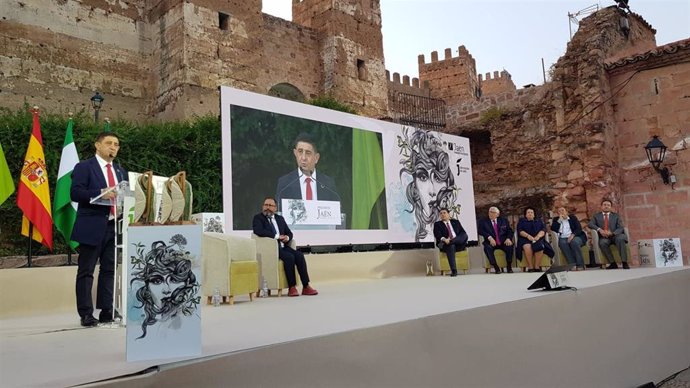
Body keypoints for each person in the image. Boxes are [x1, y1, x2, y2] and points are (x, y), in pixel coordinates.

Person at [71, 132, 128, 327]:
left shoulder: (121, 171)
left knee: (109, 270)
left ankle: (107, 310)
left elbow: (124, 196)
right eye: (109, 143)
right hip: (91, 225)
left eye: (117, 144)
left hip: (113, 225)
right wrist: (100, 193)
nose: (113, 147)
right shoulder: (84, 167)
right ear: (97, 145)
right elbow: (76, 193)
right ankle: (86, 313)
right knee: (86, 271)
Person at [130, 235, 200, 339]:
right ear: (147, 286)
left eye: (174, 280)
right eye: (157, 281)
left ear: (187, 282)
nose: (167, 290)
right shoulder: (137, 324)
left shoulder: (192, 324)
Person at [398, 128, 457, 242]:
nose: (432, 191)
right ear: (414, 185)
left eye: (438, 178)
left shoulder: (454, 223)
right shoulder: (408, 227)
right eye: (423, 177)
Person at [252, 196, 318, 297]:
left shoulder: (280, 219)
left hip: (284, 246)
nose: (267, 207)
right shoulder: (258, 218)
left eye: (270, 205)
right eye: (266, 205)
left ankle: (306, 286)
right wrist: (277, 236)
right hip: (272, 249)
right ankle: (292, 287)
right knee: (289, 257)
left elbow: (289, 232)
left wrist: (287, 237)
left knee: (299, 256)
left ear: (275, 208)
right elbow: (259, 231)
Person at [275, 133, 339, 211]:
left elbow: (336, 215)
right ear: (295, 153)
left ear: (316, 158)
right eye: (300, 151)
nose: (303, 157)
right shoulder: (285, 184)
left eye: (308, 153)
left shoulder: (328, 184)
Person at [588, 199, 630, 269]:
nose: (606, 206)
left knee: (620, 239)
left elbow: (620, 227)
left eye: (608, 205)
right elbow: (590, 224)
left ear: (611, 207)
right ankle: (613, 263)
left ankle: (624, 262)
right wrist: (600, 230)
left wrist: (612, 233)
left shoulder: (616, 216)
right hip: (604, 237)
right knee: (602, 243)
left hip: (615, 236)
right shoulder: (596, 216)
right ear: (601, 206)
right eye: (604, 205)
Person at [477, 206, 514, 274]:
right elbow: (480, 231)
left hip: (503, 241)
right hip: (490, 242)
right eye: (490, 212)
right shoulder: (483, 221)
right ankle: (496, 267)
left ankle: (509, 266)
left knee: (509, 246)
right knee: (487, 248)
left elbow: (509, 231)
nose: (490, 214)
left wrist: (508, 238)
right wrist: (489, 237)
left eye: (493, 212)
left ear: (497, 214)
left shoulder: (503, 220)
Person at [433, 208, 468, 277]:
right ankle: (454, 270)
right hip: (443, 244)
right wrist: (444, 239)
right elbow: (437, 235)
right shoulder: (437, 224)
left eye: (444, 213)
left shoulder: (456, 222)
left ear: (449, 214)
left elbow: (463, 233)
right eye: (441, 213)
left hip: (457, 244)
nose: (442, 214)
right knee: (450, 246)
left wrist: (451, 241)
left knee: (464, 235)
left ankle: (451, 241)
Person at [551, 207, 588, 271]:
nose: (561, 212)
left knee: (574, 242)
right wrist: (559, 220)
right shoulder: (556, 220)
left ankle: (580, 264)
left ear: (566, 212)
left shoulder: (573, 218)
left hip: (575, 236)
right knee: (563, 244)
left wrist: (572, 235)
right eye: (559, 211)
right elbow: (553, 229)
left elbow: (578, 228)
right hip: (563, 237)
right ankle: (572, 264)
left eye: (563, 210)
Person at [516, 207, 548, 272]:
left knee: (539, 246)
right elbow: (520, 231)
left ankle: (537, 266)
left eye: (531, 212)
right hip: (525, 239)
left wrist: (538, 236)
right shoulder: (522, 221)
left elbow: (543, 230)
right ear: (525, 214)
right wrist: (528, 236)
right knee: (527, 246)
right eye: (528, 212)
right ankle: (530, 266)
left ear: (534, 214)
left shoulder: (539, 221)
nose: (530, 214)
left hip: (538, 239)